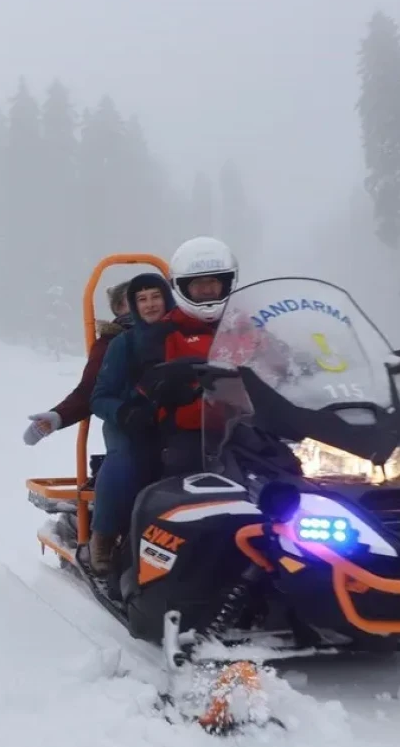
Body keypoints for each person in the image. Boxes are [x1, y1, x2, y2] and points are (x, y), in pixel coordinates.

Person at [86, 237, 240, 577]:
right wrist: (125, 412)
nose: (150, 305)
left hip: (193, 419)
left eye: (156, 296)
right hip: (133, 419)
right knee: (127, 460)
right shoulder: (123, 342)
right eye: (141, 299)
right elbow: (96, 394)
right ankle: (104, 535)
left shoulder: (192, 328)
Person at [24, 280, 132, 448]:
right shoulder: (110, 344)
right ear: (119, 307)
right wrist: (59, 416)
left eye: (154, 297)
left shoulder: (170, 333)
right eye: (136, 298)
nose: (147, 305)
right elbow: (90, 389)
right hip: (127, 426)